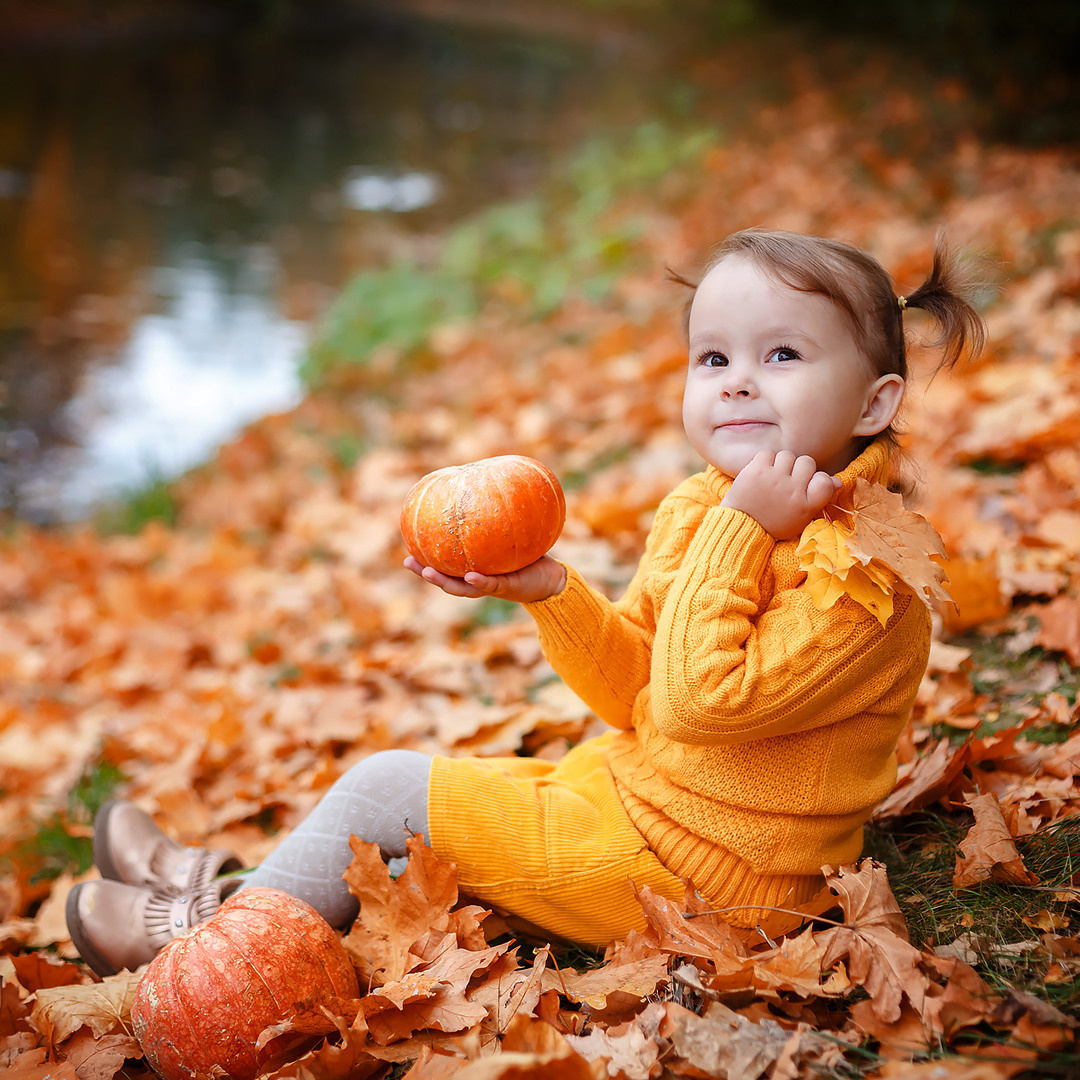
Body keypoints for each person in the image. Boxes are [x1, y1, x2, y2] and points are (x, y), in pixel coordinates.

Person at [67, 228, 987, 977]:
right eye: (713, 356)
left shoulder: (862, 581)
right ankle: (227, 898)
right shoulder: (707, 506)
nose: (737, 379)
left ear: (874, 405)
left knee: (391, 785)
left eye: (782, 354)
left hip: (715, 882)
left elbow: (698, 706)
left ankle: (197, 954)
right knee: (402, 868)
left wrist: (740, 531)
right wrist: (551, 590)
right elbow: (633, 693)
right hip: (634, 804)